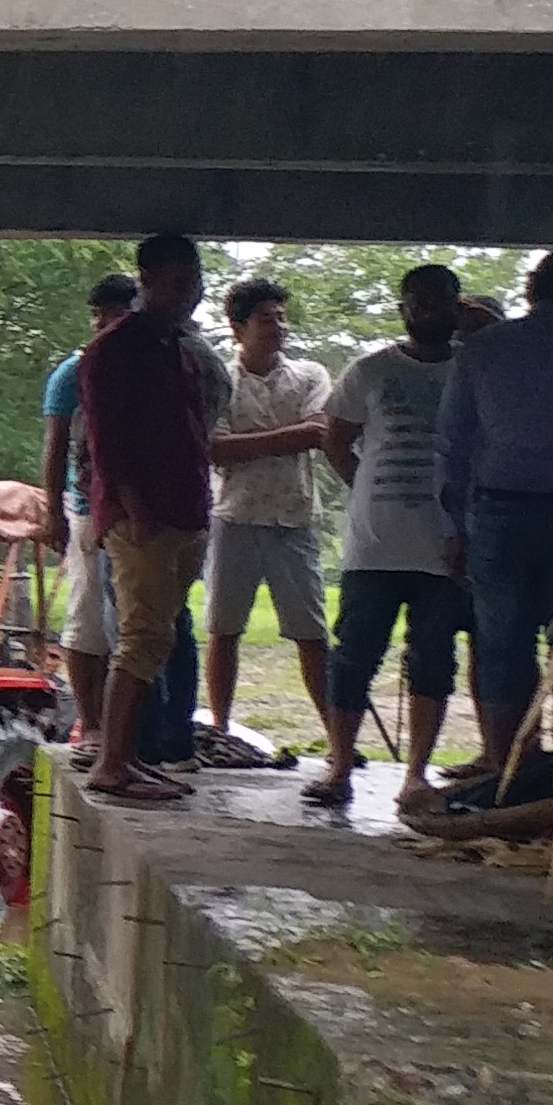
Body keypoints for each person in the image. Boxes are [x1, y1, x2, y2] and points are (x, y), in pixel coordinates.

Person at [441, 247, 553, 790]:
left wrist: (455, 524)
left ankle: (507, 769)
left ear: (530, 292)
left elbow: (454, 441)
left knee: (501, 644)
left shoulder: (485, 349)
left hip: (498, 509)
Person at [306, 262, 469, 811]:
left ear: (456, 305)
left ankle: (416, 775)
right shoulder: (369, 371)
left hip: (444, 548)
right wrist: (366, 493)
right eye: (417, 301)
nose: (428, 310)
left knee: (432, 659)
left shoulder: (472, 370)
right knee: (354, 656)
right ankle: (338, 765)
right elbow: (336, 441)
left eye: (439, 300)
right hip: (373, 548)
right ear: (403, 307)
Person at [74, 230, 218, 806]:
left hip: (184, 509)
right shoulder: (113, 350)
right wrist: (134, 510)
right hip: (145, 518)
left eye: (197, 281)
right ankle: (111, 762)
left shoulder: (175, 347)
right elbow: (106, 440)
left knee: (157, 636)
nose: (191, 293)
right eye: (179, 282)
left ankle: (128, 756)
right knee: (140, 636)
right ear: (149, 282)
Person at [201, 276, 332, 756]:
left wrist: (245, 444)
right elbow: (213, 448)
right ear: (238, 329)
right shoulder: (220, 380)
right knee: (223, 628)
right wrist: (287, 435)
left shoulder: (310, 375)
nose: (278, 327)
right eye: (265, 319)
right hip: (234, 516)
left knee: (312, 632)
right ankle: (220, 728)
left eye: (281, 317)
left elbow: (319, 431)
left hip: (293, 517)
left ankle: (337, 736)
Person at [37, 269, 141, 741]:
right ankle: (94, 727)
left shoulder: (152, 365)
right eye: (97, 315)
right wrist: (53, 513)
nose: (103, 324)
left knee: (139, 624)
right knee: (86, 618)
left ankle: (135, 731)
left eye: (114, 315)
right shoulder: (73, 372)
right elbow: (55, 445)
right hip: (87, 508)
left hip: (143, 513)